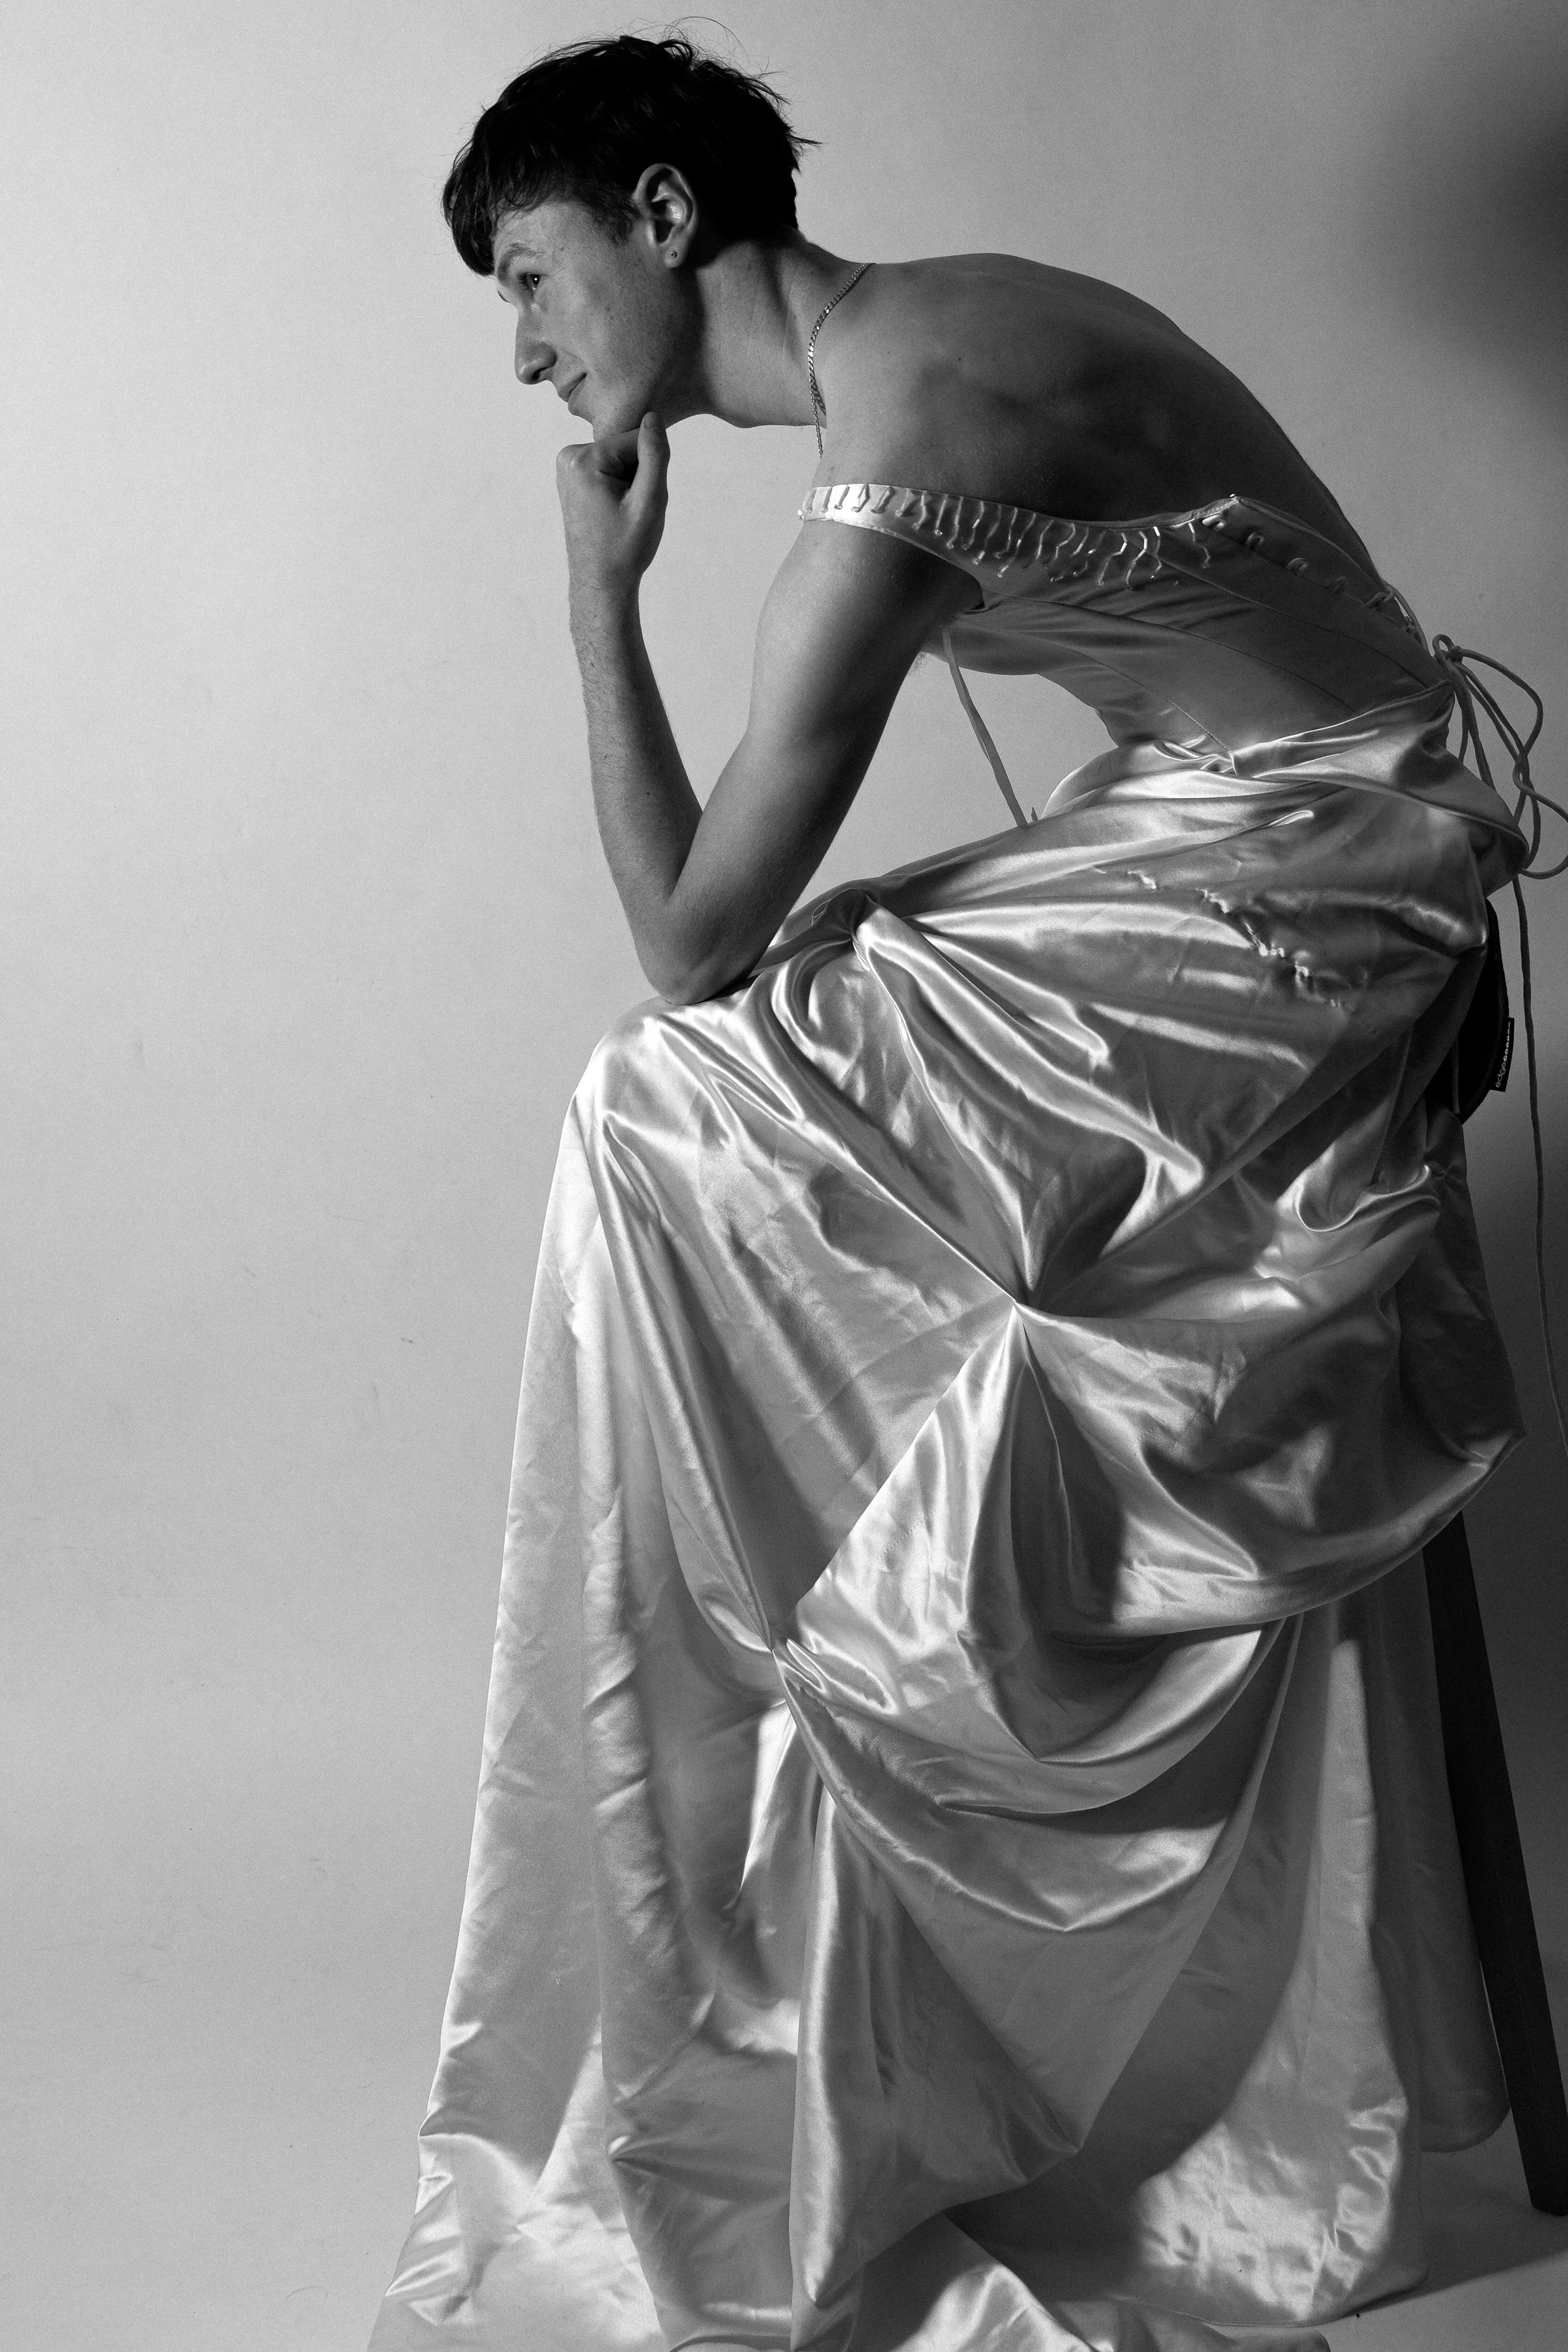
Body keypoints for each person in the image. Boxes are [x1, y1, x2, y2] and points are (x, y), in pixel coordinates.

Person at [370, 35, 1550, 2352]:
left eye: (529, 275)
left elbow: (692, 930)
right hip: (1252, 825)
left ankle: (846, 1775)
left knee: (662, 1097)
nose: (526, 348)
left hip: (1294, 882)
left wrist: (591, 593)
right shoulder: (931, 322)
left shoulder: (905, 438)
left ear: (660, 211)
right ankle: (859, 1742)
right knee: (757, 1087)